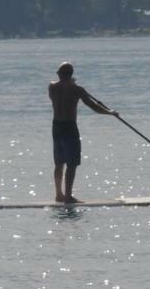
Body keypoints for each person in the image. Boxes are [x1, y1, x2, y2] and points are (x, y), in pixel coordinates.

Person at [48, 62, 116, 203]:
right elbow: (94, 106)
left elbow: (58, 85)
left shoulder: (52, 87)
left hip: (56, 126)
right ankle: (68, 196)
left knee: (59, 162)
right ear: (71, 75)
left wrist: (69, 82)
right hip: (69, 127)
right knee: (71, 163)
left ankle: (58, 194)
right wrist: (110, 113)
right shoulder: (77, 89)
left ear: (60, 74)